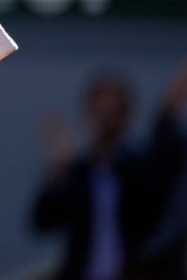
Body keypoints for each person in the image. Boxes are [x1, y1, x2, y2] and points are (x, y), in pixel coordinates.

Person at [31, 62, 187, 280]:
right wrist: (56, 170)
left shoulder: (138, 168)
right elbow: (42, 222)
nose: (106, 119)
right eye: (100, 111)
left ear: (126, 114)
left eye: (113, 112)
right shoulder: (78, 172)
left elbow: (163, 169)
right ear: (88, 113)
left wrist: (169, 109)